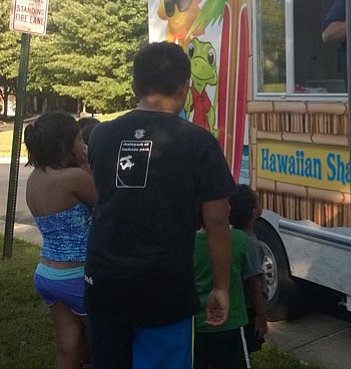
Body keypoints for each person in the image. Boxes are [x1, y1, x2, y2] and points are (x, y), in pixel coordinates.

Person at [84, 42, 237, 369]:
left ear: (134, 86)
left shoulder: (99, 136)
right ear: (185, 88)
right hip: (164, 289)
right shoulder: (199, 143)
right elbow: (217, 222)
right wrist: (221, 287)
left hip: (103, 282)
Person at [24, 111, 97, 369]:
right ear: (65, 147)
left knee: (69, 348)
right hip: (78, 276)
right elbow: (109, 203)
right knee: (105, 346)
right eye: (80, 140)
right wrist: (87, 165)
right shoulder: (73, 178)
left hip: (47, 274)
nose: (84, 145)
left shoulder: (35, 179)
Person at [193, 214, 251, 369]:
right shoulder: (238, 238)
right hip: (229, 321)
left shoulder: (188, 243)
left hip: (197, 324)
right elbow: (248, 272)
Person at [229, 184, 268, 353]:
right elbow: (253, 282)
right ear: (254, 212)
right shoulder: (250, 244)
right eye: (258, 201)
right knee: (245, 351)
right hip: (248, 310)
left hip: (238, 308)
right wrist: (261, 315)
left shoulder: (231, 237)